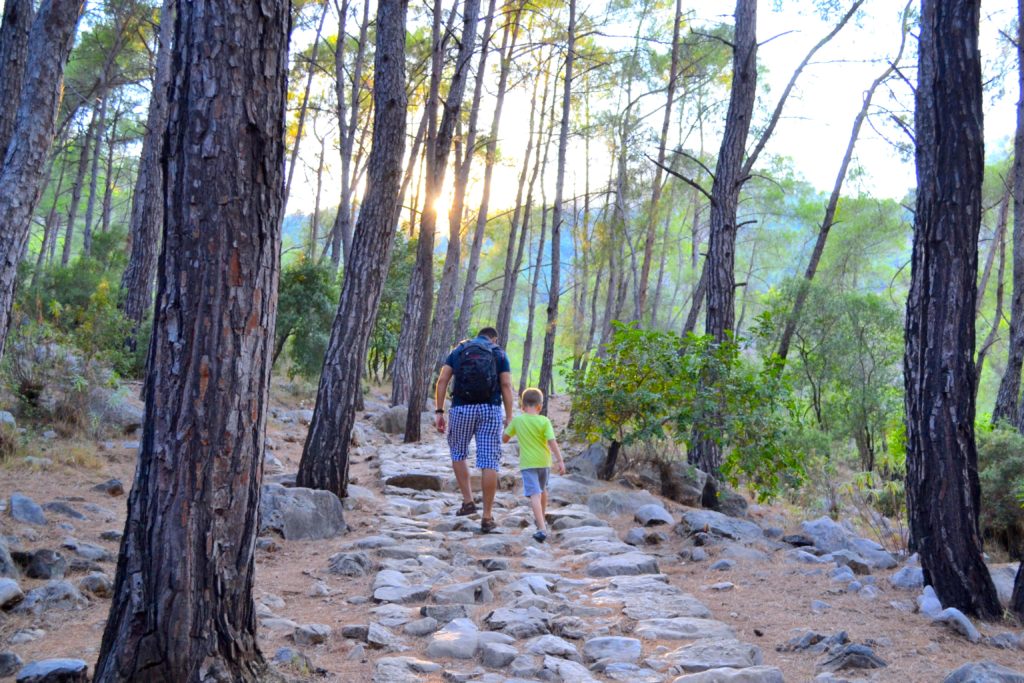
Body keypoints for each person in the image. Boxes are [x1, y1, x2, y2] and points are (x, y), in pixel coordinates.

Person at [435, 326, 514, 533]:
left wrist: (439, 411)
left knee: (458, 453)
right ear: (494, 339)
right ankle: (487, 516)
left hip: (461, 408)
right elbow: (506, 385)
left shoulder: (459, 350)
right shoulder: (498, 353)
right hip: (490, 409)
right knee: (489, 461)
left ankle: (468, 501)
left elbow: (442, 380)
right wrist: (509, 416)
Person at [502, 387, 565, 543]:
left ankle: (542, 528)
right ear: (539, 406)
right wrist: (560, 460)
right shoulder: (544, 421)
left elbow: (504, 439)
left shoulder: (518, 420)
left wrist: (507, 425)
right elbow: (552, 442)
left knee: (535, 494)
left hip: (528, 464)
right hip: (544, 462)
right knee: (542, 490)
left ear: (522, 406)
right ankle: (540, 520)